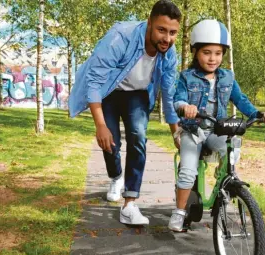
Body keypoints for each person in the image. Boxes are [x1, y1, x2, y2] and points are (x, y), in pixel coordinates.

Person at [68, 0, 182, 226]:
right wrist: (100, 125)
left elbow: (168, 93)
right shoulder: (121, 37)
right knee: (109, 142)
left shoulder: (169, 53)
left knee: (138, 136)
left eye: (172, 33)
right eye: (161, 30)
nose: (166, 39)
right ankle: (115, 177)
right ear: (149, 23)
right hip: (109, 90)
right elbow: (95, 80)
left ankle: (129, 203)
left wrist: (175, 132)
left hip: (137, 94)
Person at [168, 19, 265, 232]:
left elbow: (240, 99)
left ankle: (224, 178)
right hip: (194, 131)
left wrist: (257, 113)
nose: (212, 58)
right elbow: (177, 99)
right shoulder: (187, 77)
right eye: (207, 52)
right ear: (195, 52)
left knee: (233, 145)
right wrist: (185, 106)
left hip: (217, 129)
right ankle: (179, 212)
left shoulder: (227, 77)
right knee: (188, 170)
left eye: (218, 53)